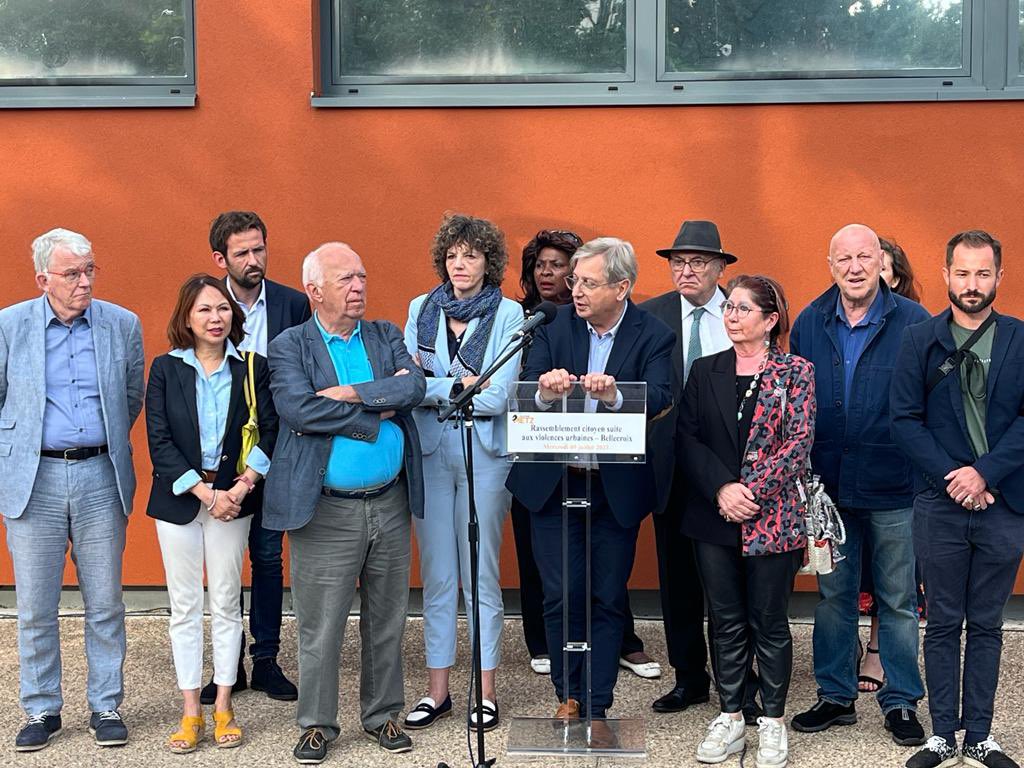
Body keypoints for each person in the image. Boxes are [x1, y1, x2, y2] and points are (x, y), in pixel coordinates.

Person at [264, 242, 425, 763]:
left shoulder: (384, 334)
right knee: (321, 623)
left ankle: (382, 716)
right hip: (326, 508)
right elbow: (297, 409)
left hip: (390, 502)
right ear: (314, 291)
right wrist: (376, 408)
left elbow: (415, 387)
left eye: (361, 277)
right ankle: (316, 724)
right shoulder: (290, 346)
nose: (358, 288)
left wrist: (351, 394)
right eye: (345, 280)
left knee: (388, 617)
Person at [506, 236, 674, 729]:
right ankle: (568, 694)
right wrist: (543, 390)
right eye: (574, 280)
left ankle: (597, 700)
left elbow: (662, 395)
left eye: (587, 282)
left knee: (604, 595)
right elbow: (528, 386)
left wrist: (617, 395)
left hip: (611, 488)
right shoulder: (554, 325)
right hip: (553, 484)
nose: (574, 290)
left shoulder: (653, 334)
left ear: (622, 287)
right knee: (559, 594)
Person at [1, 228, 143, 752]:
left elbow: (131, 396)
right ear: (43, 279)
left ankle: (106, 703)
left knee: (105, 600)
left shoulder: (121, 324)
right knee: (36, 605)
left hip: (100, 476)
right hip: (32, 479)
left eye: (89, 270)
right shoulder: (9, 326)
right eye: (72, 273)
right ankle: (41, 708)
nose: (84, 282)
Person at [790, 224, 929, 747]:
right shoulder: (808, 321)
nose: (854, 267)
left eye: (864, 257)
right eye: (844, 258)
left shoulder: (914, 321)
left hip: (895, 484)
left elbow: (927, 406)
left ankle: (900, 701)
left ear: (880, 263)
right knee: (833, 597)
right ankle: (835, 695)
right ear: (830, 265)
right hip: (828, 490)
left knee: (897, 599)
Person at [893, 230, 1024, 768]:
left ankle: (981, 735)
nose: (973, 284)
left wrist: (985, 474)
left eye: (983, 273)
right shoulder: (919, 340)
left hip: (1004, 504)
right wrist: (955, 476)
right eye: (963, 273)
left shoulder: (1019, 338)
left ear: (999, 276)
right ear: (946, 275)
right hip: (939, 504)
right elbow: (904, 421)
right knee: (943, 621)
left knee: (988, 623)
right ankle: (943, 733)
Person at [678, 274, 813, 768]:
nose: (731, 316)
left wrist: (750, 491)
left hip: (771, 516)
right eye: (729, 308)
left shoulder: (795, 372)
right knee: (726, 620)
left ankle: (772, 721)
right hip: (714, 514)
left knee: (769, 622)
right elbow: (688, 438)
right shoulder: (705, 369)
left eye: (742, 309)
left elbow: (797, 443)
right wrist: (722, 488)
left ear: (770, 320)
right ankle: (732, 716)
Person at [145, 274, 279, 752]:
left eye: (222, 309)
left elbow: (268, 431)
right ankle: (190, 713)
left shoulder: (252, 368)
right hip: (182, 498)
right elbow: (158, 442)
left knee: (225, 602)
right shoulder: (165, 368)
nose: (216, 317)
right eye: (204, 310)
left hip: (236, 499)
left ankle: (223, 706)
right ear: (186, 317)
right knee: (184, 607)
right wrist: (207, 494)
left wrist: (241, 487)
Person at [402, 213, 523, 732]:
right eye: (452, 254)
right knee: (437, 578)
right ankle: (438, 691)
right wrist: (457, 386)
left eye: (471, 254)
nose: (460, 264)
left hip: (485, 456)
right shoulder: (419, 309)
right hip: (430, 454)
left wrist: (438, 385)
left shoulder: (510, 314)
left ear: (488, 261)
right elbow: (408, 384)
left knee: (481, 576)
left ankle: (485, 691)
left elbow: (497, 397)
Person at [204, 210, 309, 704]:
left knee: (268, 558)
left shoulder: (291, 304)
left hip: (280, 451)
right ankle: (228, 666)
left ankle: (265, 659)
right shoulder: (208, 304)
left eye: (259, 249)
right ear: (220, 258)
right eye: (242, 252)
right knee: (223, 567)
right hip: (223, 462)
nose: (254, 260)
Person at [644, 219, 734, 715]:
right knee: (677, 580)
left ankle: (734, 679)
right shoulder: (651, 316)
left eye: (698, 261)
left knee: (727, 581)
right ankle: (689, 679)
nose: (687, 270)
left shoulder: (741, 310)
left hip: (729, 471)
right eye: (679, 262)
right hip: (669, 469)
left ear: (721, 267)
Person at [857, 234, 926, 695]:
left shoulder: (914, 327)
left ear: (894, 277)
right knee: (847, 577)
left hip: (896, 476)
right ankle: (848, 653)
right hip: (843, 473)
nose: (865, 275)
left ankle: (883, 652)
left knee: (895, 580)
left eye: (878, 266)